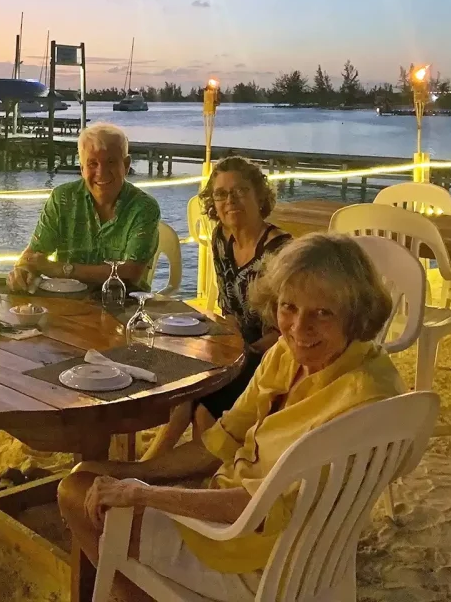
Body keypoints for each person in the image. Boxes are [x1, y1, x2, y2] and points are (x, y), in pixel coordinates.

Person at [58, 233, 405, 601]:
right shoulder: (289, 356)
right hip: (263, 527)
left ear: (355, 315)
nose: (299, 328)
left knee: (74, 491)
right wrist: (135, 472)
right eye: (289, 307)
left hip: (255, 558)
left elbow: (258, 509)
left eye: (323, 313)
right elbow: (222, 440)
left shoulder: (360, 400)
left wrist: (143, 493)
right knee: (92, 473)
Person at [142, 157, 291, 460]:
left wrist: (243, 354)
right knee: (186, 380)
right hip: (238, 345)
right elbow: (229, 310)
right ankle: (160, 463)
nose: (230, 201)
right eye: (221, 194)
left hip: (273, 355)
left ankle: (170, 465)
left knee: (202, 400)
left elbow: (286, 330)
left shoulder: (280, 251)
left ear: (259, 195)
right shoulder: (222, 238)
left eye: (240, 191)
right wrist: (220, 347)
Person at [9, 123, 161, 292]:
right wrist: (23, 271)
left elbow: (130, 273)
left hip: (124, 302)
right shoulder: (62, 198)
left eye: (111, 162)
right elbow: (33, 255)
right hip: (67, 301)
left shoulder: (144, 207)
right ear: (82, 168)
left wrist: (62, 269)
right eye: (92, 164)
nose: (101, 172)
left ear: (126, 165)